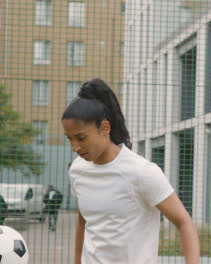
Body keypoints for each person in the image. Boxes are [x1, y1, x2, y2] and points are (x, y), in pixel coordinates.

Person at [62, 79, 200, 264]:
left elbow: (184, 222)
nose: (75, 147)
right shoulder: (78, 170)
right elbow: (84, 222)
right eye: (70, 139)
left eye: (81, 138)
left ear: (105, 128)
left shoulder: (142, 172)